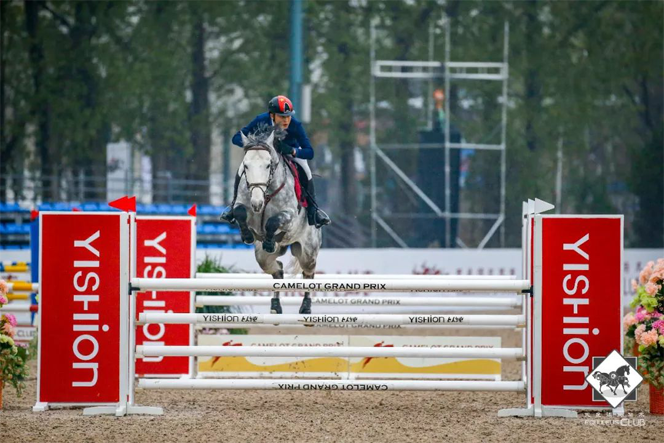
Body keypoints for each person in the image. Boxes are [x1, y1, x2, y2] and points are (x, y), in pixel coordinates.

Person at [220, 95, 331, 228]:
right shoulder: (261, 120)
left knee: (305, 168)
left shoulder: (295, 125)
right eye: (282, 116)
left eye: (288, 116)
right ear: (272, 115)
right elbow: (236, 138)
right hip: (265, 153)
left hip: (288, 153)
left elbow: (309, 152)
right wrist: (251, 144)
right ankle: (233, 205)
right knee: (242, 168)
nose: (286, 120)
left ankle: (314, 210)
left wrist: (292, 150)